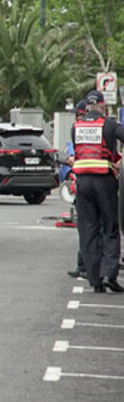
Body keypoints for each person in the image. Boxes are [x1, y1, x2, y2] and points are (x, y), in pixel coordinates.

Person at [71, 90, 124, 293]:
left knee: (88, 229)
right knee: (110, 227)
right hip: (104, 180)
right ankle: (109, 274)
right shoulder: (109, 125)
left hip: (83, 182)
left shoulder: (76, 127)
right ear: (102, 106)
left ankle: (95, 280)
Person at [65, 99, 86, 279]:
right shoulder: (76, 130)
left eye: (79, 115)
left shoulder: (84, 130)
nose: (77, 119)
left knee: (93, 227)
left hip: (94, 183)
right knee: (84, 227)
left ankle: (92, 266)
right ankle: (83, 265)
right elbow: (72, 153)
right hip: (83, 184)